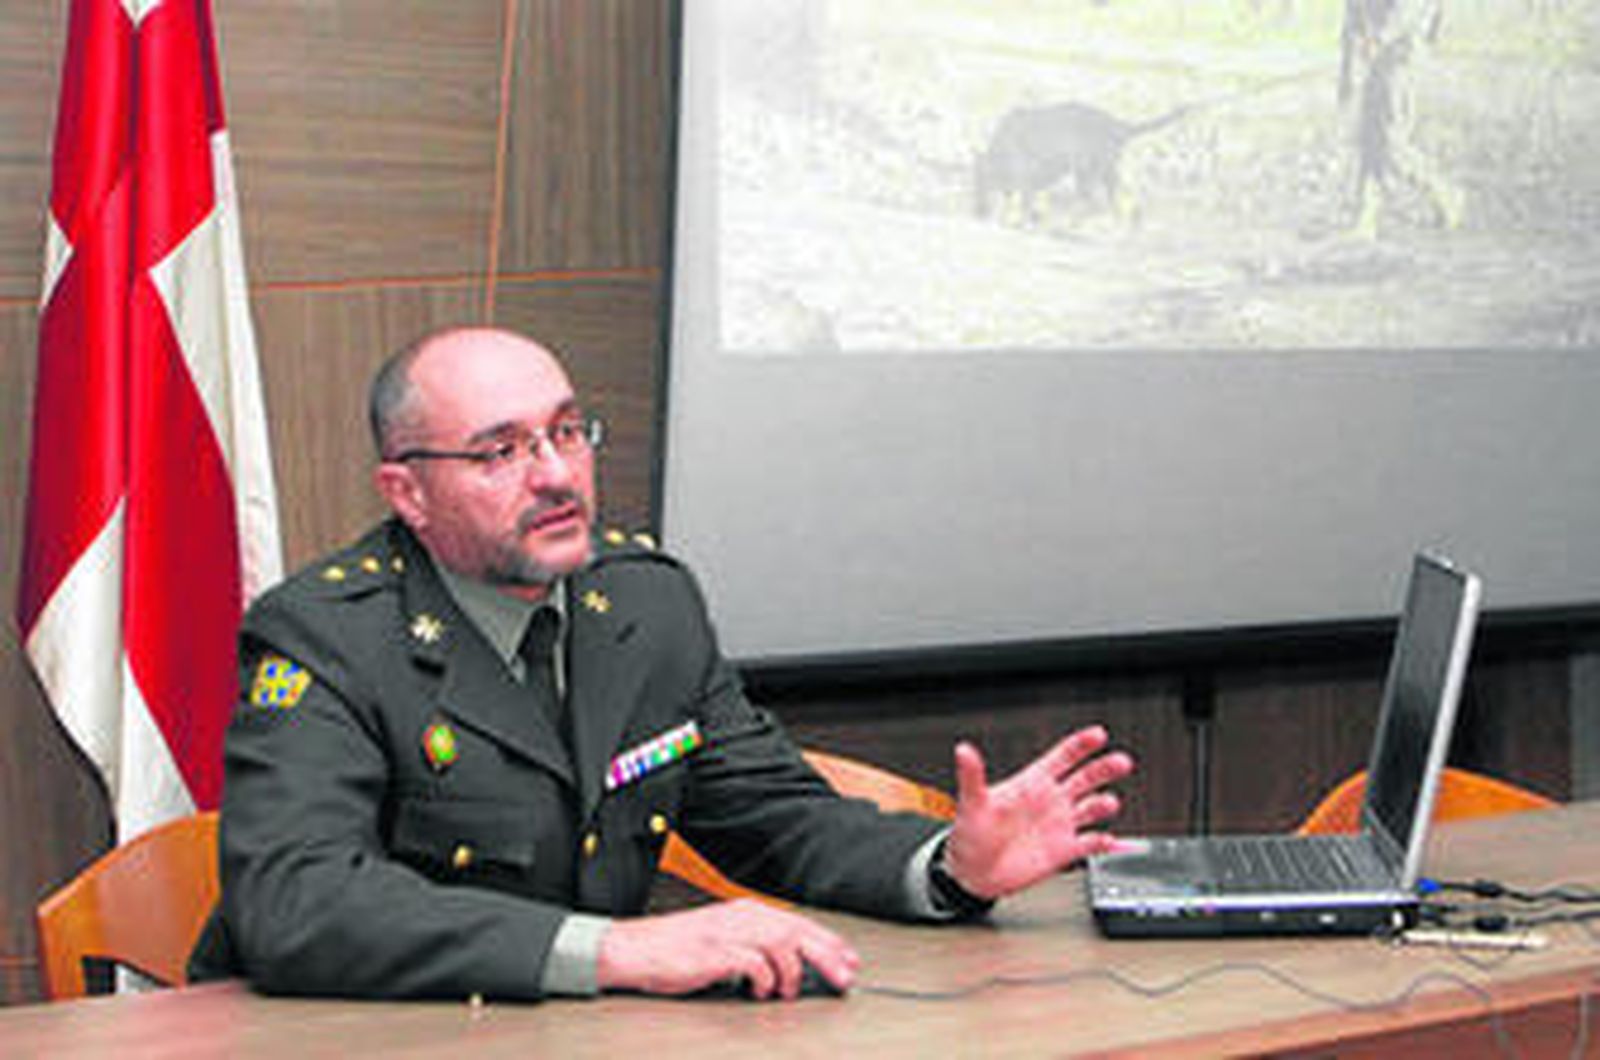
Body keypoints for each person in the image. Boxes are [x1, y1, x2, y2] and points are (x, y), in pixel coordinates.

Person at [191, 326, 1135, 1001]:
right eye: (500, 452)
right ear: (408, 493)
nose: (558, 476)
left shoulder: (645, 604)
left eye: (566, 432)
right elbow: (297, 901)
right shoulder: (327, 633)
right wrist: (616, 952)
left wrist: (948, 870)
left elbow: (774, 816)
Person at [1338, 0, 1464, 239]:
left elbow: (1412, 9)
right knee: (1369, 139)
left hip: (1403, 53)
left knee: (1392, 143)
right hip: (1377, 53)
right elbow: (1352, 16)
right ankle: (1366, 219)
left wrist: (1381, 38)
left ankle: (1444, 192)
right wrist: (1347, 72)